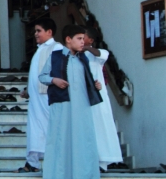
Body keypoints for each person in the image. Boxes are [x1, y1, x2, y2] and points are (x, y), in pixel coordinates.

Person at [39, 25, 102, 179]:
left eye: (83, 38)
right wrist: (54, 80)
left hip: (81, 106)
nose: (83, 42)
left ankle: (83, 174)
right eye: (79, 39)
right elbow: (42, 76)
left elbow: (86, 79)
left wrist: (95, 85)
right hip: (63, 105)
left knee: (82, 139)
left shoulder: (83, 58)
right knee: (61, 139)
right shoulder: (55, 56)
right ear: (68, 40)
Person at [19, 18, 58, 173]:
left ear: (49, 32)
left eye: (39, 31)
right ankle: (32, 163)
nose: (36, 34)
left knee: (49, 128)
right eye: (35, 31)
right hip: (36, 98)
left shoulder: (56, 48)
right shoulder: (41, 48)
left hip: (47, 97)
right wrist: (29, 90)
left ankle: (52, 161)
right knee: (34, 130)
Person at [83, 27, 124, 170]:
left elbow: (99, 53)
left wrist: (87, 48)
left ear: (91, 40)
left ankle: (104, 161)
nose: (81, 39)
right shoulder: (78, 55)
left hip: (99, 97)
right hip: (84, 96)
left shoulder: (99, 54)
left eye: (84, 36)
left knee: (102, 125)